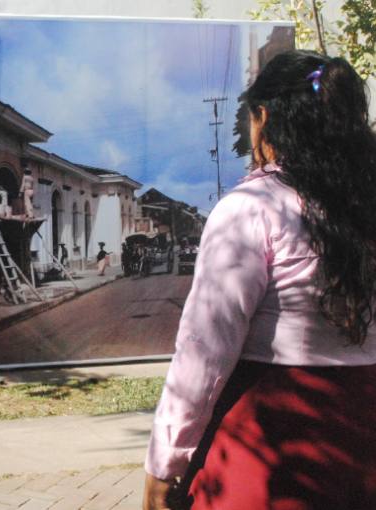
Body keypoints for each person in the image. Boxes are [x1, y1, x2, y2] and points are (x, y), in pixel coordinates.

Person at [143, 51, 376, 510]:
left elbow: (204, 352)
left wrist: (164, 463)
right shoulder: (365, 207)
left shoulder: (253, 207)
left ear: (264, 118)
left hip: (273, 443)